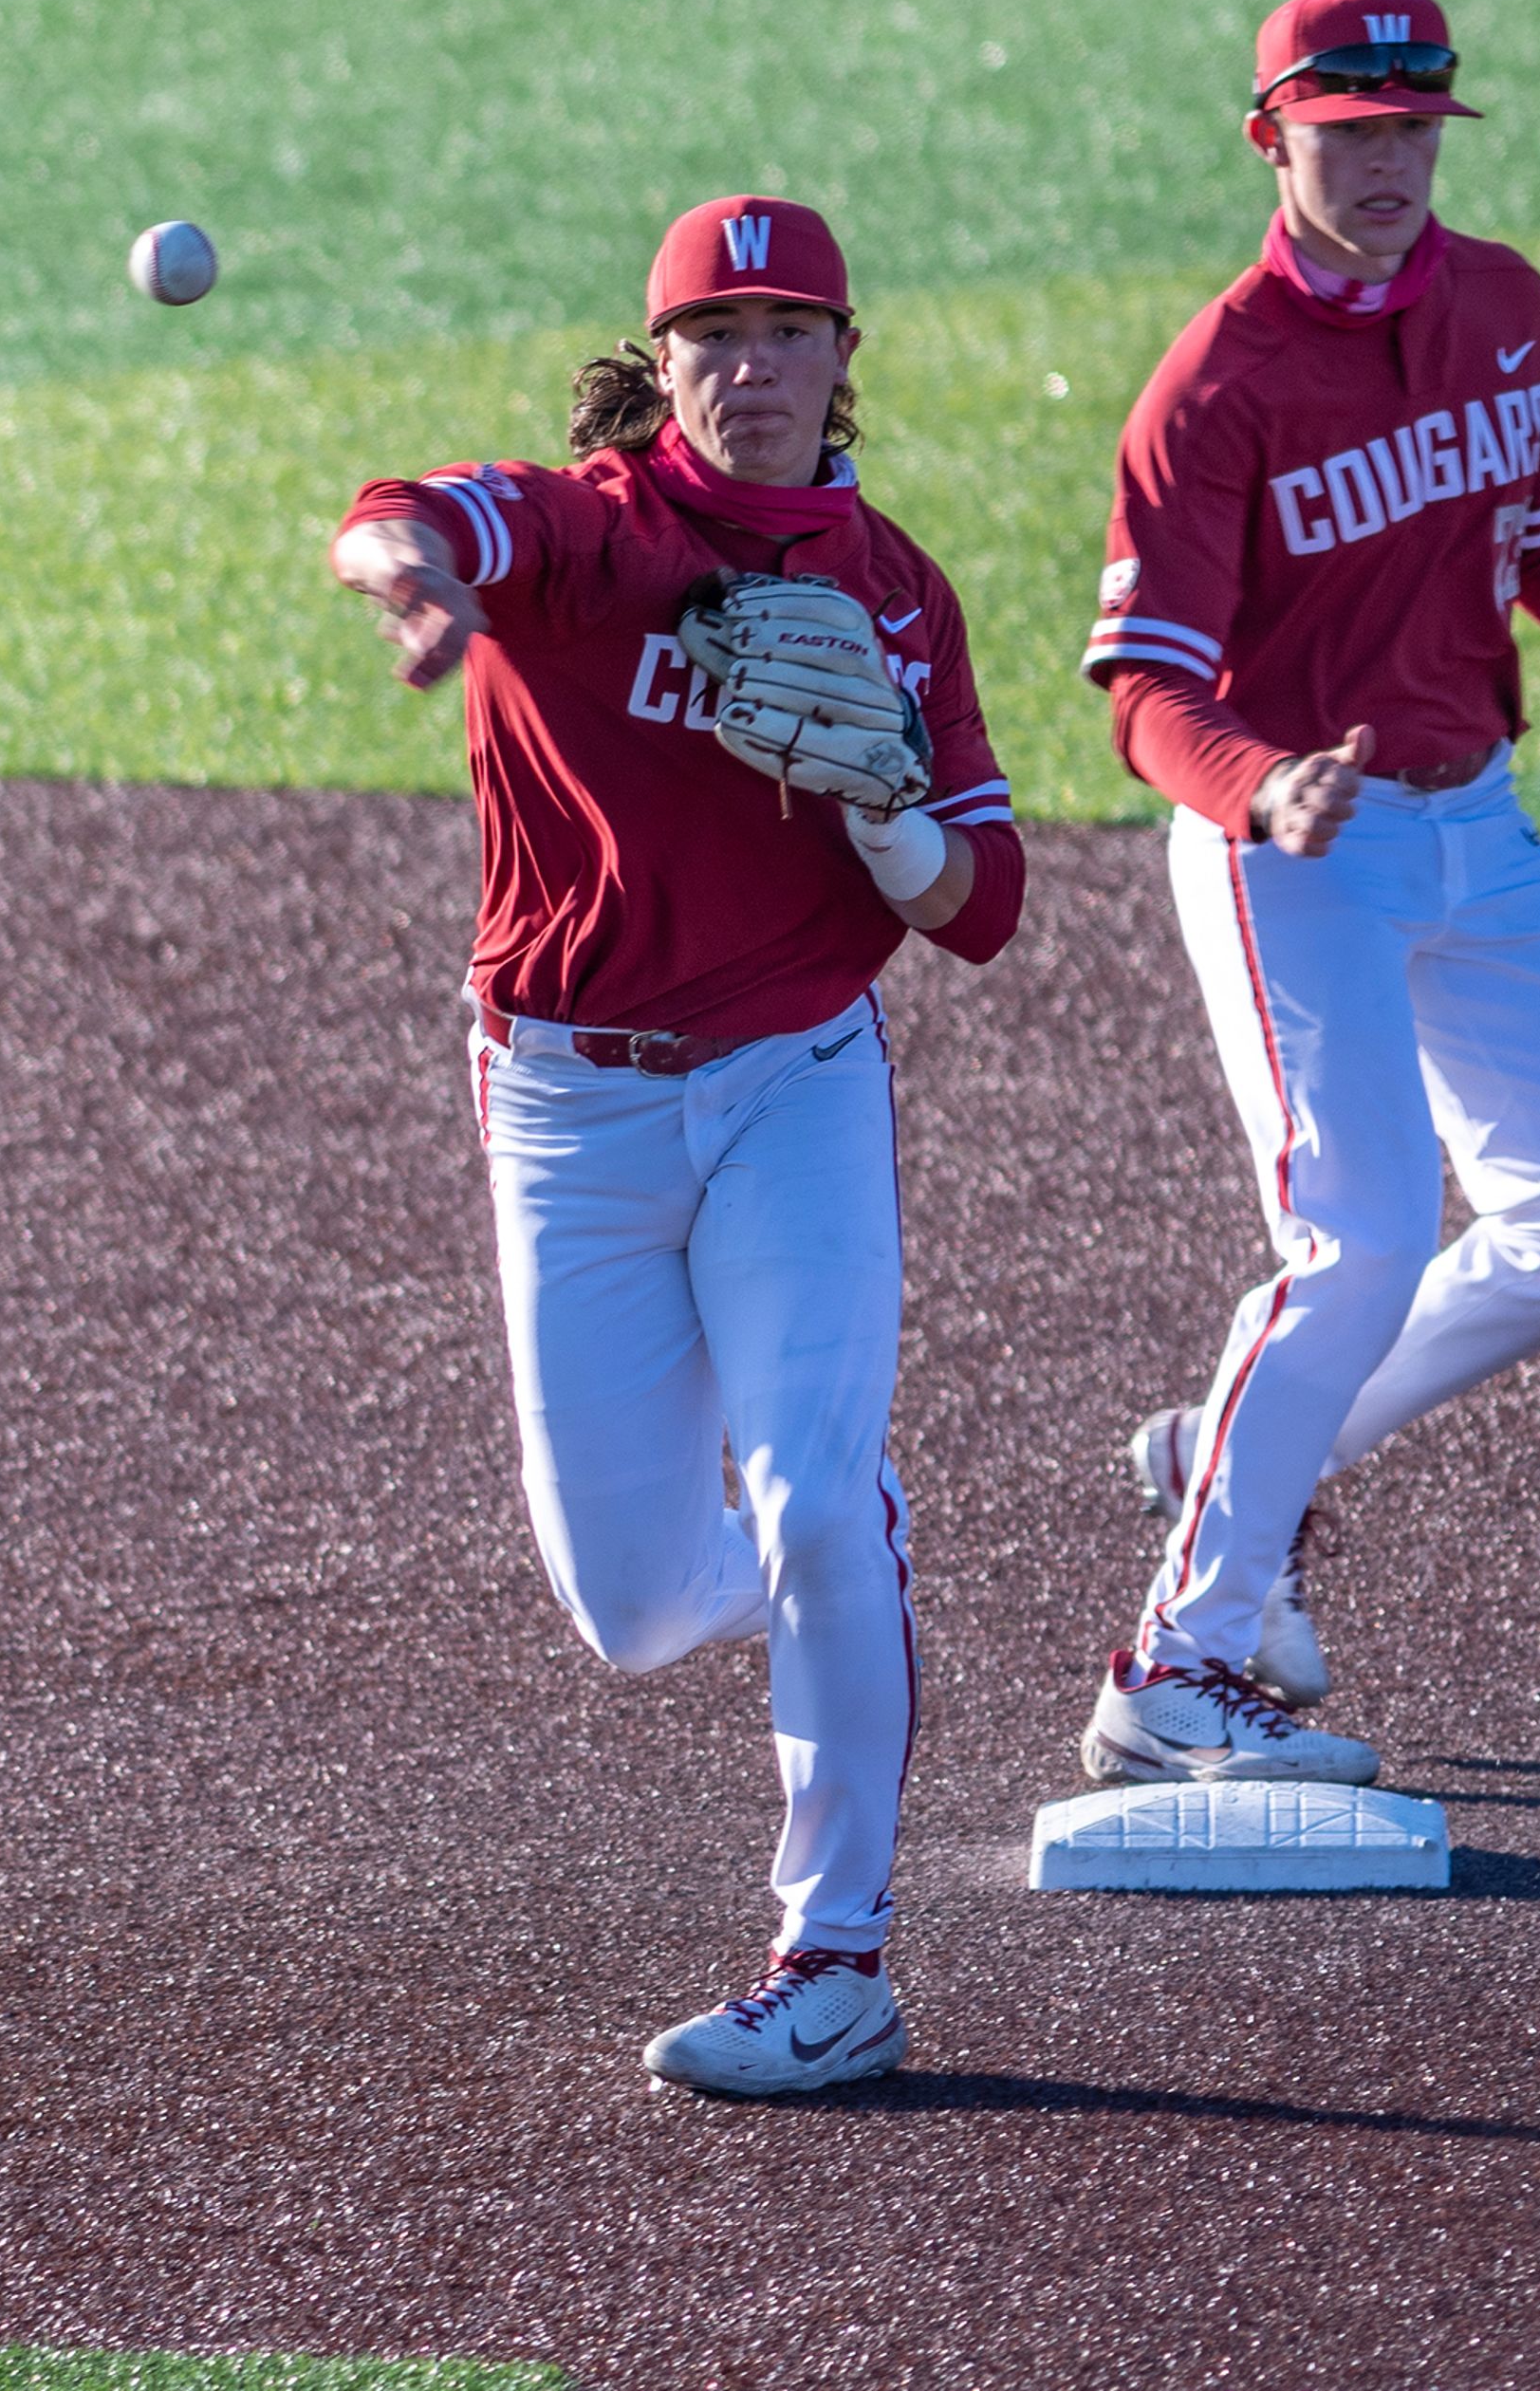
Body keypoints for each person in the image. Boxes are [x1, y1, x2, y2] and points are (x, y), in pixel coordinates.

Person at [328, 195, 1026, 2097]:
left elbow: (986, 904)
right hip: (564, 1104)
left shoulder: (895, 587)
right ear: (664, 368)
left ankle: (840, 1959)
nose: (756, 367)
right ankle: (834, 1582)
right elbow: (407, 509)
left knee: (816, 1499)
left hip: (797, 1082)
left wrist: (888, 824)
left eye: (792, 330)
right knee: (633, 1609)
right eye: (716, 335)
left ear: (844, 357)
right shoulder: (578, 533)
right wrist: (416, 585)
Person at [1072, 0, 1540, 1787]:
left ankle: (1237, 1447)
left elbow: (1531, 530)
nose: (1384, 162)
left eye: (1411, 130)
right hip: (1290, 855)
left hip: (1479, 826)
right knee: (1363, 1240)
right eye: (1347, 131)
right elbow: (1143, 691)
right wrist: (1258, 786)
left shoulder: (1504, 302)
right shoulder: (1214, 385)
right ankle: (1178, 1662)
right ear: (1275, 138)